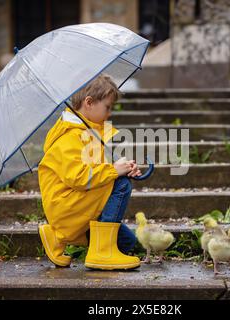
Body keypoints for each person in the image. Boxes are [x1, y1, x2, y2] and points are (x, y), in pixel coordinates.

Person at [38, 74, 142, 270]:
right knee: (121, 184)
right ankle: (101, 253)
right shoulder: (68, 137)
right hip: (67, 206)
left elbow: (96, 169)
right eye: (107, 107)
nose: (109, 113)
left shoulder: (88, 131)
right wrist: (114, 172)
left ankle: (56, 237)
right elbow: (80, 178)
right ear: (89, 103)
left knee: (127, 243)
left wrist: (123, 168)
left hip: (79, 204)